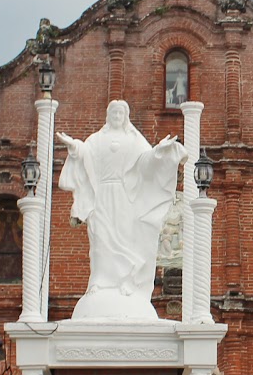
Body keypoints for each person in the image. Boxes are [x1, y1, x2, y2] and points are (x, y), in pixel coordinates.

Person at [56, 100, 185, 320]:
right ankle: (99, 280)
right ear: (108, 115)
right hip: (101, 193)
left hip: (125, 196)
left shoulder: (133, 139)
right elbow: (85, 154)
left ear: (125, 116)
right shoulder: (97, 139)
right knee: (99, 238)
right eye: (114, 112)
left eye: (121, 112)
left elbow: (145, 161)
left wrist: (160, 151)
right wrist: (74, 146)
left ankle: (127, 282)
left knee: (126, 238)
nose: (117, 115)